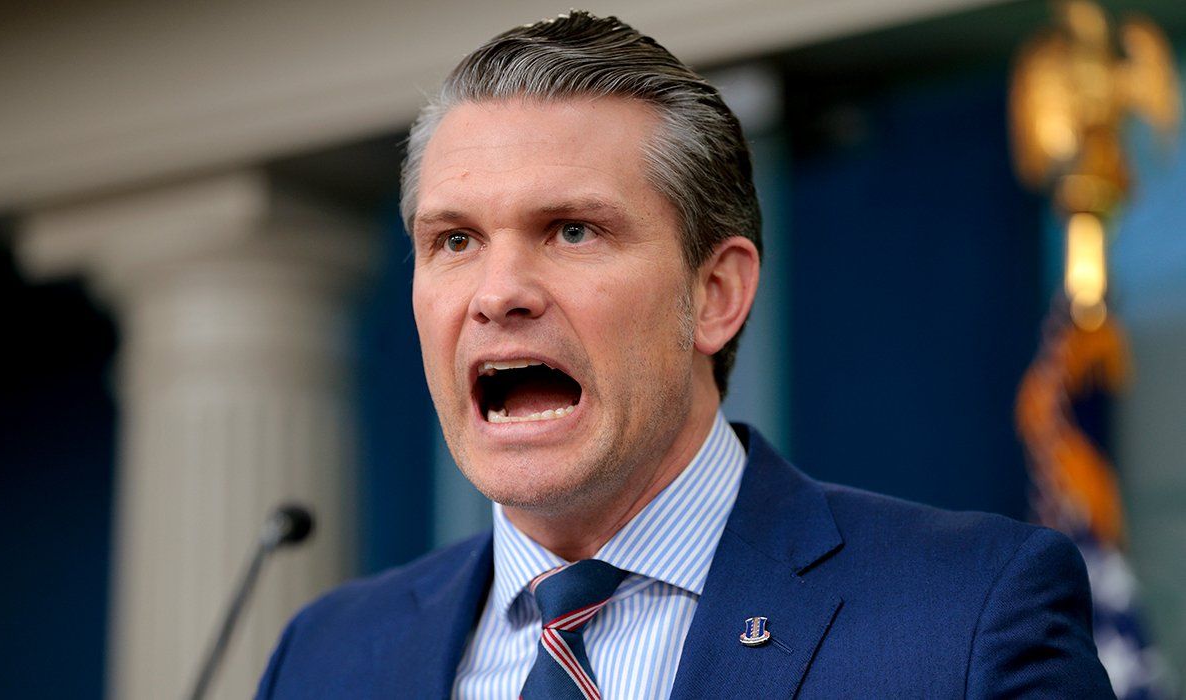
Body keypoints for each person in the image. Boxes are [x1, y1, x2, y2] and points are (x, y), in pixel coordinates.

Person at [257, 11, 1115, 698]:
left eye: (572, 230)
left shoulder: (967, 615)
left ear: (715, 295)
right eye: (453, 241)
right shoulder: (327, 658)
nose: (496, 292)